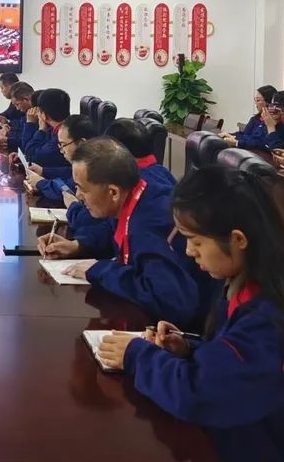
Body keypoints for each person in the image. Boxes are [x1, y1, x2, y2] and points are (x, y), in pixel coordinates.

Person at [96, 166, 284, 462]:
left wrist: (136, 356)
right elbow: (236, 361)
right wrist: (188, 348)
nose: (189, 252)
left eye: (196, 241)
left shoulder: (270, 315)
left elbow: (198, 394)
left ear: (238, 239)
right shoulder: (250, 283)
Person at [38, 137, 204, 329]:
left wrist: (101, 270)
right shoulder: (135, 193)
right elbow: (111, 230)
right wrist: (78, 245)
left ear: (113, 192)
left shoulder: (148, 224)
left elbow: (170, 301)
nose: (78, 196)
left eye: (82, 188)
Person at [23, 113, 97, 204]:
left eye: (63, 145)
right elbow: (69, 172)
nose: (61, 151)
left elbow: (66, 189)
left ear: (81, 143)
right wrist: (43, 171)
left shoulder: (94, 168)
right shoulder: (84, 163)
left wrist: (40, 183)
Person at [22, 88, 71, 179]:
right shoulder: (57, 128)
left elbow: (31, 155)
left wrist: (37, 128)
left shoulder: (62, 135)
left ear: (44, 115)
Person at [0, 82, 34, 152]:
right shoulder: (27, 112)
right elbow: (20, 127)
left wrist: (8, 139)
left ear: (26, 99)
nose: (17, 108)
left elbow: (28, 141)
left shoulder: (37, 114)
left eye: (17, 104)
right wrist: (7, 125)